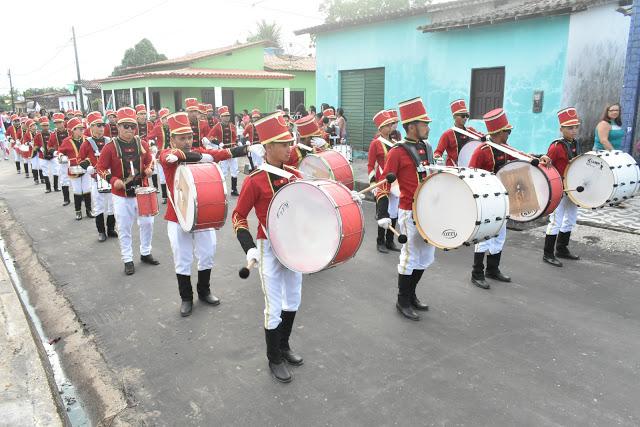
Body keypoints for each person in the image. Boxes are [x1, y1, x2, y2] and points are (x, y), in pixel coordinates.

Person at [232, 112, 305, 383]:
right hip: (268, 247)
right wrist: (249, 247)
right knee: (273, 305)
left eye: (290, 143)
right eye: (284, 144)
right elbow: (238, 216)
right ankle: (273, 356)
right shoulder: (255, 180)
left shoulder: (295, 175)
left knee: (293, 299)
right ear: (268, 148)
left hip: (293, 247)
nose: (290, 148)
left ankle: (284, 346)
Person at [160, 112, 250, 316]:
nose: (187, 141)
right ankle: (186, 297)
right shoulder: (167, 155)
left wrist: (245, 149)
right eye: (181, 138)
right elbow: (166, 156)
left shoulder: (198, 151)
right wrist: (199, 156)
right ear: (172, 138)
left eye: (190, 137)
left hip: (202, 215)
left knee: (208, 252)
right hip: (178, 216)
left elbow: (219, 154)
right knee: (182, 258)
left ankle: (204, 290)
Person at [468, 108, 552, 289]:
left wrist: (539, 158)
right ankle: (477, 273)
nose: (509, 134)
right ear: (499, 132)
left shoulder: (504, 148)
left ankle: (492, 269)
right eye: (508, 131)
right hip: (486, 199)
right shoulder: (481, 151)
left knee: (500, 234)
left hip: (503, 198)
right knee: (484, 236)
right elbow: (470, 174)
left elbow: (522, 156)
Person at [377, 97, 434, 321]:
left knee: (426, 256)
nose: (428, 127)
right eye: (424, 124)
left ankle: (411, 294)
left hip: (427, 211)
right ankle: (403, 300)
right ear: (412, 126)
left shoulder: (427, 147)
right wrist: (382, 213)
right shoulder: (397, 152)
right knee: (410, 257)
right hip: (409, 212)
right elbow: (384, 183)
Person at [96, 107, 159, 275]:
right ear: (118, 126)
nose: (129, 130)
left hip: (141, 192)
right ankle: (128, 259)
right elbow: (100, 167)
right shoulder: (110, 147)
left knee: (147, 223)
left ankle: (145, 253)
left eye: (132, 126)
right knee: (124, 228)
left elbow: (150, 161)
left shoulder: (142, 144)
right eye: (125, 126)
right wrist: (113, 180)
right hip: (121, 196)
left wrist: (148, 169)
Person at [543, 107, 582, 266]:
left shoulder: (576, 143)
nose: (573, 131)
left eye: (575, 127)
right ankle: (547, 253)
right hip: (559, 188)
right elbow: (546, 166)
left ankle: (562, 248)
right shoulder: (556, 146)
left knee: (571, 218)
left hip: (572, 188)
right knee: (555, 221)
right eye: (569, 128)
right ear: (561, 129)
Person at [80, 111, 116, 241]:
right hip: (96, 178)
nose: (101, 128)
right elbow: (80, 159)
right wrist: (87, 167)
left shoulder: (109, 141)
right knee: (99, 205)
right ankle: (101, 231)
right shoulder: (87, 143)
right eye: (98, 125)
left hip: (109, 177)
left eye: (102, 125)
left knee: (112, 204)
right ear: (91, 127)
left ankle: (111, 229)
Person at [368, 110, 399, 253]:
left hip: (395, 183)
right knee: (383, 213)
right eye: (386, 125)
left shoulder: (395, 143)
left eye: (390, 124)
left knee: (394, 213)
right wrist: (373, 182)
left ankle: (390, 241)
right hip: (382, 182)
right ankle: (380, 242)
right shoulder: (375, 143)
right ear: (380, 128)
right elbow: (370, 164)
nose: (390, 127)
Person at [58, 118, 93, 220]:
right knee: (77, 190)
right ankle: (78, 211)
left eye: (82, 128)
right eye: (79, 129)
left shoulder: (87, 139)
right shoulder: (66, 141)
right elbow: (60, 152)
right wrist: (61, 157)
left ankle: (89, 210)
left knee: (87, 189)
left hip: (85, 168)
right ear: (73, 130)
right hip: (73, 169)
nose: (82, 130)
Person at [434, 99, 482, 166]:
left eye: (467, 116)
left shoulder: (471, 130)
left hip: (468, 168)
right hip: (453, 169)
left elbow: (482, 138)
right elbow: (438, 152)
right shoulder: (447, 134)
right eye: (462, 116)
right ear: (454, 117)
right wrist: (437, 158)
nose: (465, 118)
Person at [207, 106, 240, 195]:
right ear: (220, 117)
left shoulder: (232, 126)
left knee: (234, 169)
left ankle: (234, 190)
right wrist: (218, 143)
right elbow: (210, 137)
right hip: (222, 151)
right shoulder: (217, 126)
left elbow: (235, 137)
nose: (227, 117)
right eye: (225, 116)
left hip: (232, 150)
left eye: (228, 115)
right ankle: (222, 191)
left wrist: (237, 142)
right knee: (224, 171)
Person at [149, 108, 171, 204]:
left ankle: (172, 194)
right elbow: (148, 137)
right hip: (161, 154)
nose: (166, 120)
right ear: (161, 119)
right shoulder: (157, 128)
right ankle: (164, 196)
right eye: (164, 118)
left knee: (173, 175)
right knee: (162, 177)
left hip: (172, 153)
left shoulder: (173, 126)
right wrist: (153, 145)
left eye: (167, 117)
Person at [48, 113, 70, 202]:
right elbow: (49, 146)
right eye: (56, 123)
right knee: (64, 178)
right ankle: (66, 199)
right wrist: (55, 152)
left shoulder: (70, 131)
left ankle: (82, 197)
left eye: (60, 122)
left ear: (63, 122)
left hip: (73, 156)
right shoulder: (53, 135)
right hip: (61, 158)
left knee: (78, 176)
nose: (58, 124)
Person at [33, 116, 54, 193]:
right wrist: (39, 148)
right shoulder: (38, 135)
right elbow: (35, 146)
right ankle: (48, 187)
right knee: (45, 171)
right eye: (44, 125)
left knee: (56, 170)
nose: (46, 127)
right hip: (42, 156)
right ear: (41, 126)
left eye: (47, 125)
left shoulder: (53, 134)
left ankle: (55, 186)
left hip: (53, 155)